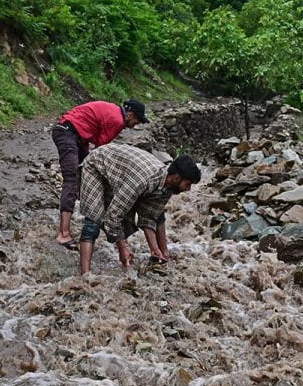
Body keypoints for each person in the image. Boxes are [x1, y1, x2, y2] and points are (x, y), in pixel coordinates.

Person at [77, 142, 201, 274]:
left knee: (135, 215)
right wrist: (122, 249)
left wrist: (155, 250)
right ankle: (85, 277)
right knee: (93, 221)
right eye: (187, 184)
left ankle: (158, 252)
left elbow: (149, 216)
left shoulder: (168, 187)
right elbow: (113, 215)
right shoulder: (142, 180)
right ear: (176, 178)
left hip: (121, 173)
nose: (188, 189)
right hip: (97, 164)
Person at [51, 99, 149, 249]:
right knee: (71, 180)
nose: (136, 125)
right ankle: (63, 234)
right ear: (129, 115)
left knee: (86, 174)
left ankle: (86, 216)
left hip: (76, 135)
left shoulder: (114, 112)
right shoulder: (117, 120)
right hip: (67, 133)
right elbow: (101, 151)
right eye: (137, 120)